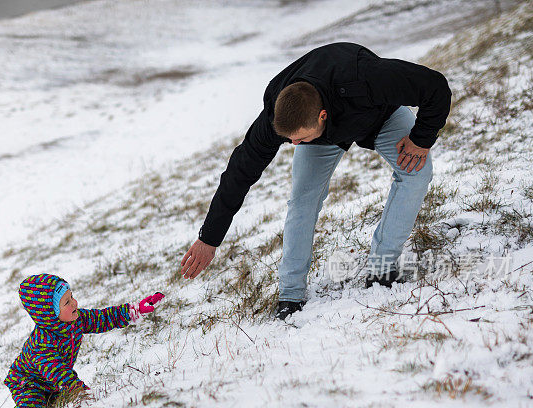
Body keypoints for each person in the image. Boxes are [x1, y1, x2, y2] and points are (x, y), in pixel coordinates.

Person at [179, 42, 451, 320]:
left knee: (416, 171)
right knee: (302, 201)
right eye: (289, 139)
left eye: (298, 138)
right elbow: (239, 173)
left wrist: (421, 139)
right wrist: (209, 238)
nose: (294, 144)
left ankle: (382, 270)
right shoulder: (278, 114)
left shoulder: (368, 76)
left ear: (321, 116)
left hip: (378, 114)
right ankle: (290, 294)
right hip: (322, 134)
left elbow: (435, 86)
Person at [4, 273, 164, 408]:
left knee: (55, 407)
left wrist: (134, 310)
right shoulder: (41, 344)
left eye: (71, 296)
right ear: (49, 314)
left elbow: (103, 318)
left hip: (50, 383)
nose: (74, 303)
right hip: (27, 382)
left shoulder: (77, 319)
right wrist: (79, 390)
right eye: (66, 302)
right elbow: (58, 372)